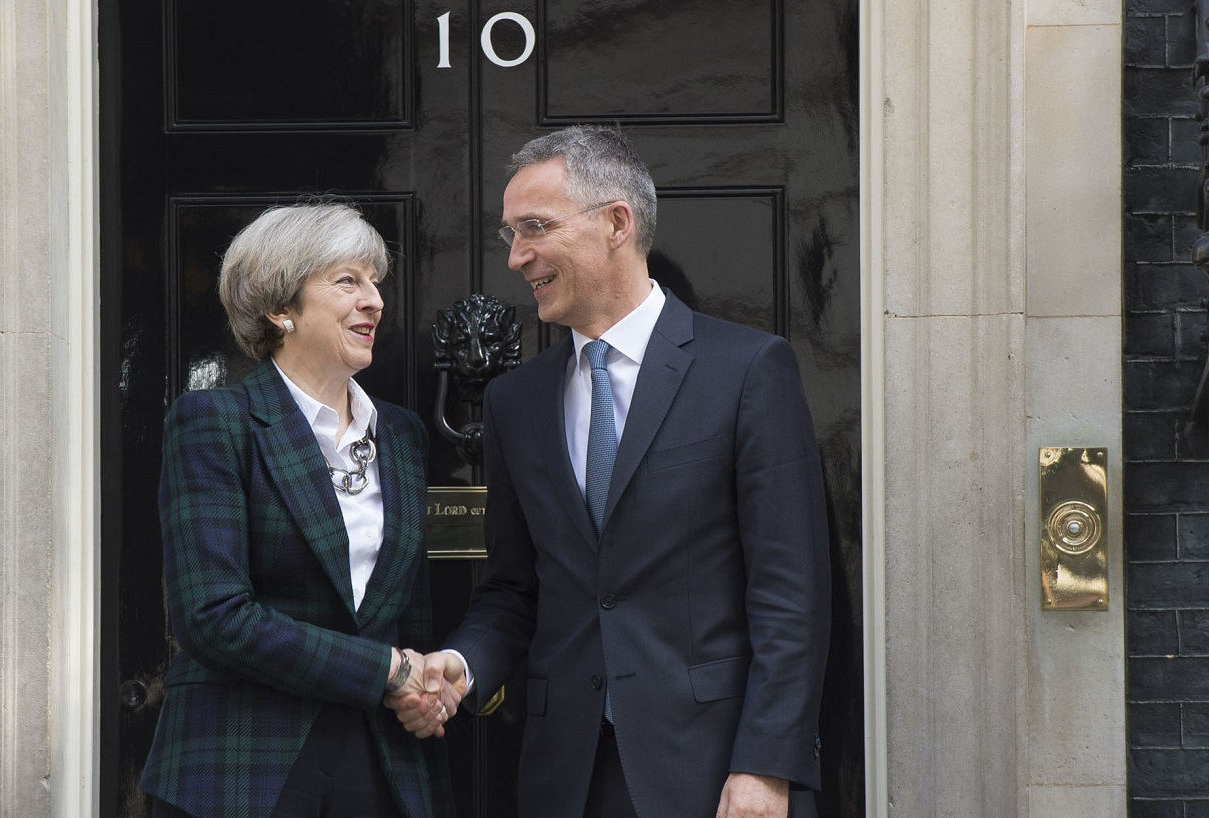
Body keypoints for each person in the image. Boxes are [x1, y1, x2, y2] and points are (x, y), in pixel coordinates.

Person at [391, 126, 831, 818]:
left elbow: (790, 596)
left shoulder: (747, 370)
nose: (516, 258)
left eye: (534, 228)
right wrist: (462, 665)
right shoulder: (516, 401)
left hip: (715, 770)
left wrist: (765, 768)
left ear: (617, 223)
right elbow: (513, 588)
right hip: (565, 774)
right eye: (509, 234)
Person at [141, 202, 458, 818]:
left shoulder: (403, 435)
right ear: (279, 308)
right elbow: (213, 617)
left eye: (375, 282)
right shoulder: (215, 423)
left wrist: (424, 690)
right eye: (348, 281)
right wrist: (387, 670)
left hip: (381, 761)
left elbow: (406, 617)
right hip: (243, 761)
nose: (374, 300)